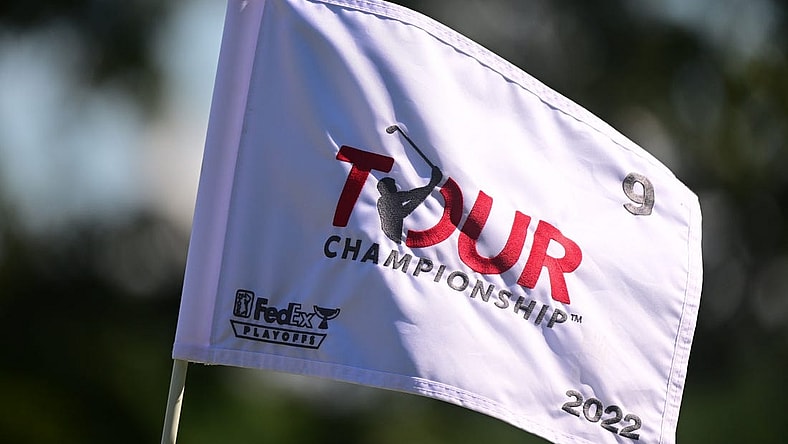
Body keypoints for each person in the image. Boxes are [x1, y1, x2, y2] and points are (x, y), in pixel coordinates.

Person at [376, 166, 443, 243]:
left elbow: (413, 196)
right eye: (393, 185)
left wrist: (431, 185)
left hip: (390, 238)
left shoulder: (382, 201)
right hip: (393, 239)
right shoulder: (390, 198)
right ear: (387, 188)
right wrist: (432, 183)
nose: (396, 187)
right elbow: (412, 198)